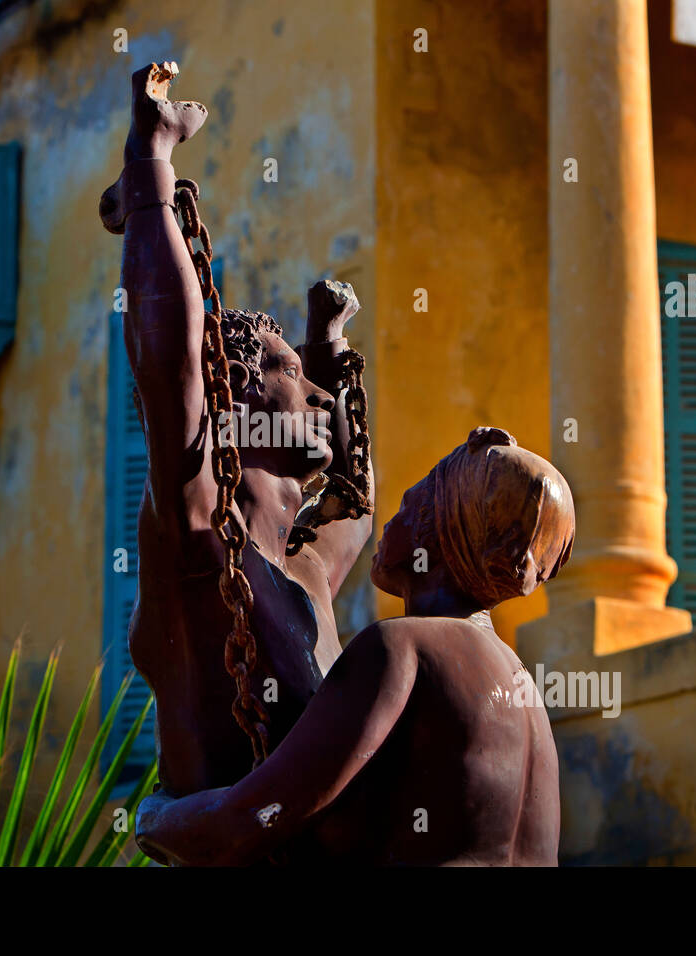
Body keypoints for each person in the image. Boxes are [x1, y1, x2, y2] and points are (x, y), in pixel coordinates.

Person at [100, 62, 374, 795]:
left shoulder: (305, 567)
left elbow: (355, 499)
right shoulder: (195, 527)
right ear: (239, 392)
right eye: (293, 374)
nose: (321, 397)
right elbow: (171, 365)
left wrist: (327, 347)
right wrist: (151, 168)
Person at [136, 427, 575, 866]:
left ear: (436, 525)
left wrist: (155, 816)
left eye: (411, 502)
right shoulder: (525, 694)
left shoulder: (403, 648)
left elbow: (249, 819)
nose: (392, 519)